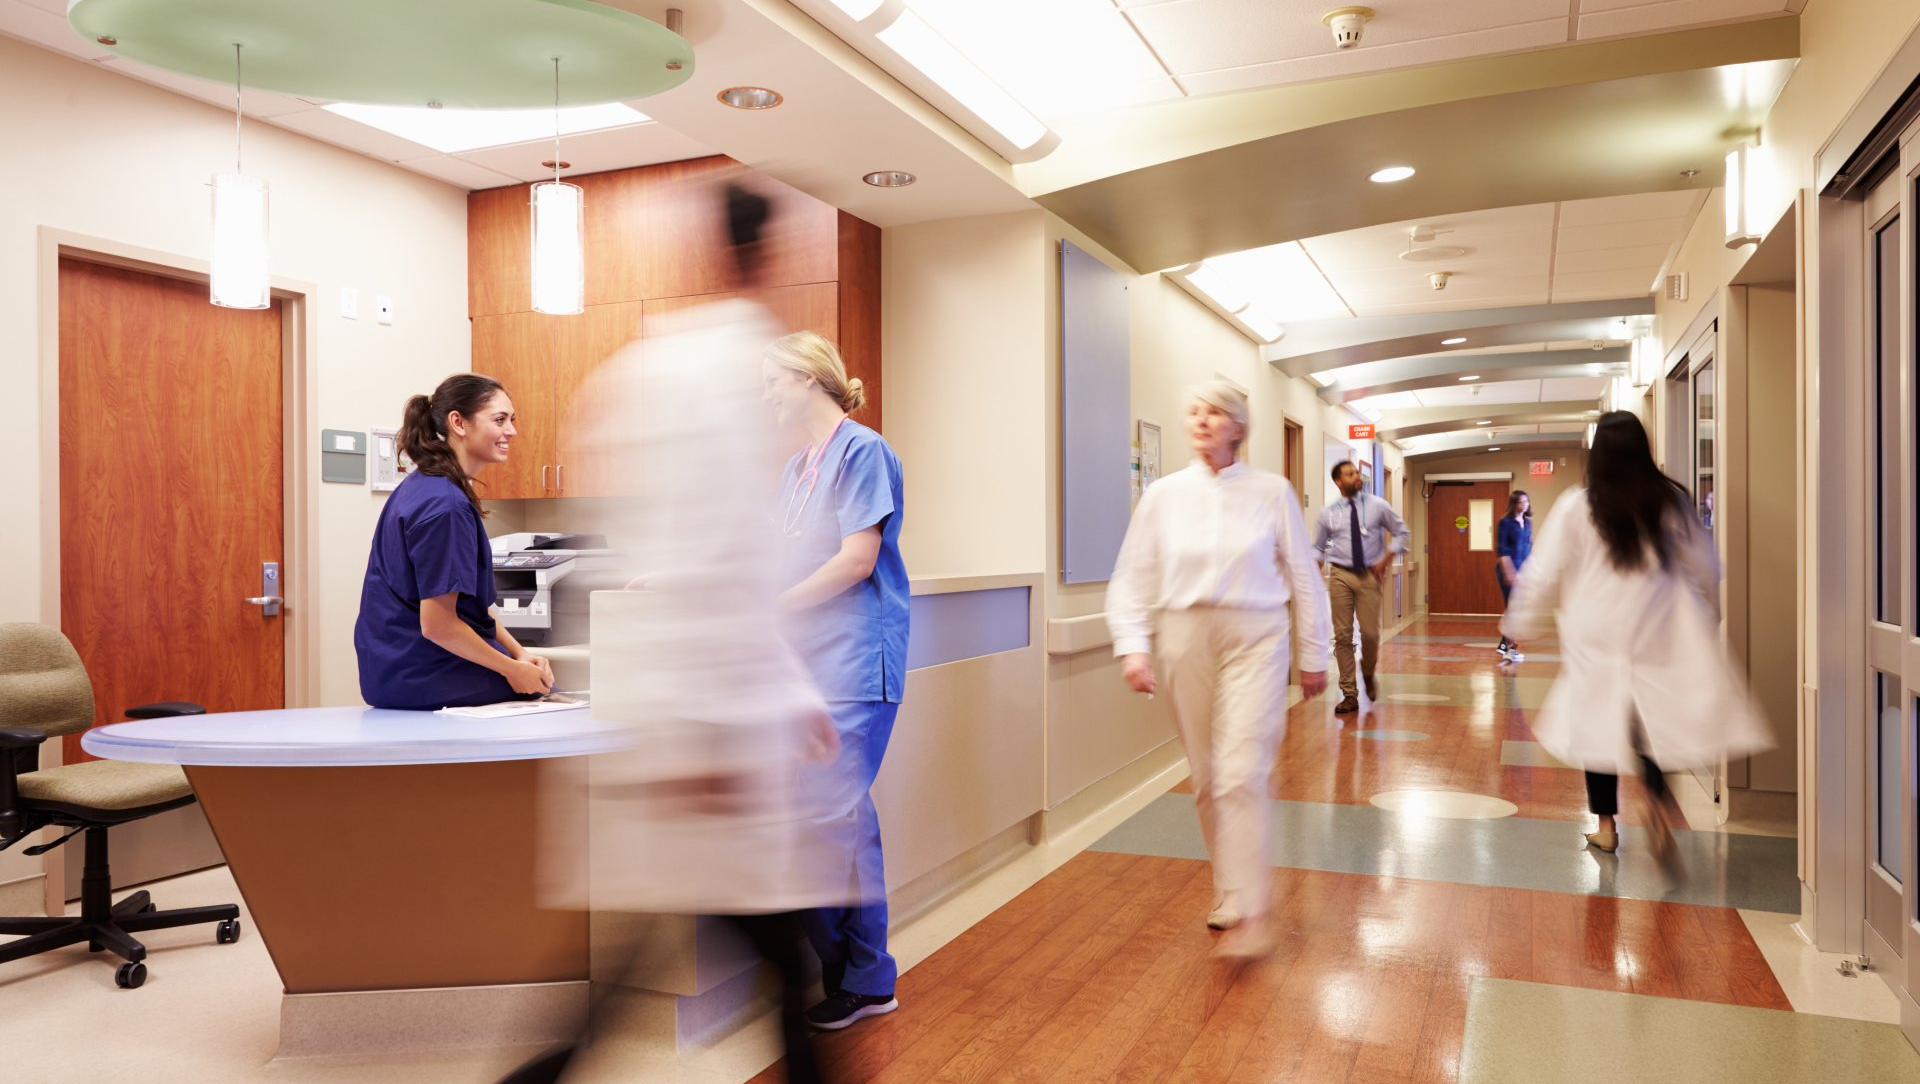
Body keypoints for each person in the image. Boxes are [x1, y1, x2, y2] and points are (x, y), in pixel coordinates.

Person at [508, 180, 845, 1084]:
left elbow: (701, 564)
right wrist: (716, 736)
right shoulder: (725, 382)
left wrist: (786, 694)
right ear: (767, 255)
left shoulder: (642, 368)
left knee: (672, 948)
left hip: (682, 713)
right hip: (701, 725)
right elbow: (720, 564)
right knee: (759, 950)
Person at [1107, 381, 1331, 957]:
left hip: (1255, 633)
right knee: (1208, 776)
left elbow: (1304, 577)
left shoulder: (1270, 491)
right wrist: (1132, 645)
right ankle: (1230, 888)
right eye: (1195, 412)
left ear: (1238, 427)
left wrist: (1313, 654)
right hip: (1185, 635)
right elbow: (1134, 575)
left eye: (1215, 413)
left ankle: (1253, 908)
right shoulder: (1164, 495)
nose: (1202, 421)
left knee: (1241, 768)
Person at [1500, 412, 1769, 868]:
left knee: (1596, 727)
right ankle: (1657, 796)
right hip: (1657, 624)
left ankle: (1606, 827)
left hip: (1596, 629)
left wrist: (1518, 622)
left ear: (1597, 454)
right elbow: (1706, 566)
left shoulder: (1577, 505)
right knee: (1650, 718)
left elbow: (1543, 572)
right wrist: (1708, 613)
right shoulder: (1671, 501)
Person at [763, 329, 910, 1030]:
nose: (764, 395)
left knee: (829, 821)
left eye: (771, 380)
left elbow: (857, 559)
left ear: (807, 379)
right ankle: (853, 971)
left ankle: (863, 977)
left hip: (855, 660)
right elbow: (764, 556)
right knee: (829, 819)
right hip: (807, 666)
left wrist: (773, 609)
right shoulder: (797, 467)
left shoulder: (864, 450)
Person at [353, 374, 553, 710]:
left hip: (393, 669)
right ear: (458, 422)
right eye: (500, 420)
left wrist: (520, 654)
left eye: (512, 421)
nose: (511, 432)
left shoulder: (424, 487)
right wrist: (513, 671)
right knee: (545, 695)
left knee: (537, 680)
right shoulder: (446, 506)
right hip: (423, 672)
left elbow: (469, 606)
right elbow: (439, 626)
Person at [1311, 459, 1409, 713]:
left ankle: (1367, 672)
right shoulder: (1328, 513)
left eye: (1355, 472)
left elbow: (1401, 532)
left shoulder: (1377, 506)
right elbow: (1318, 546)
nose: (1355, 476)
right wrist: (1314, 564)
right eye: (1348, 473)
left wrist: (1387, 558)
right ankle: (1349, 693)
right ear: (1338, 481)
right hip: (1340, 575)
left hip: (1369, 576)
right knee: (1342, 636)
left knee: (1370, 635)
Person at [1494, 490, 1532, 663]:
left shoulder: (1527, 523)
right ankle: (1511, 648)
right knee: (1513, 609)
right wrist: (1510, 572)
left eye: (1526, 502)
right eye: (1520, 502)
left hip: (1523, 571)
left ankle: (1503, 645)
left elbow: (1528, 547)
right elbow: (1502, 550)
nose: (1524, 505)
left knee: (1517, 609)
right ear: (1514, 504)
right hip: (1508, 570)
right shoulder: (1505, 523)